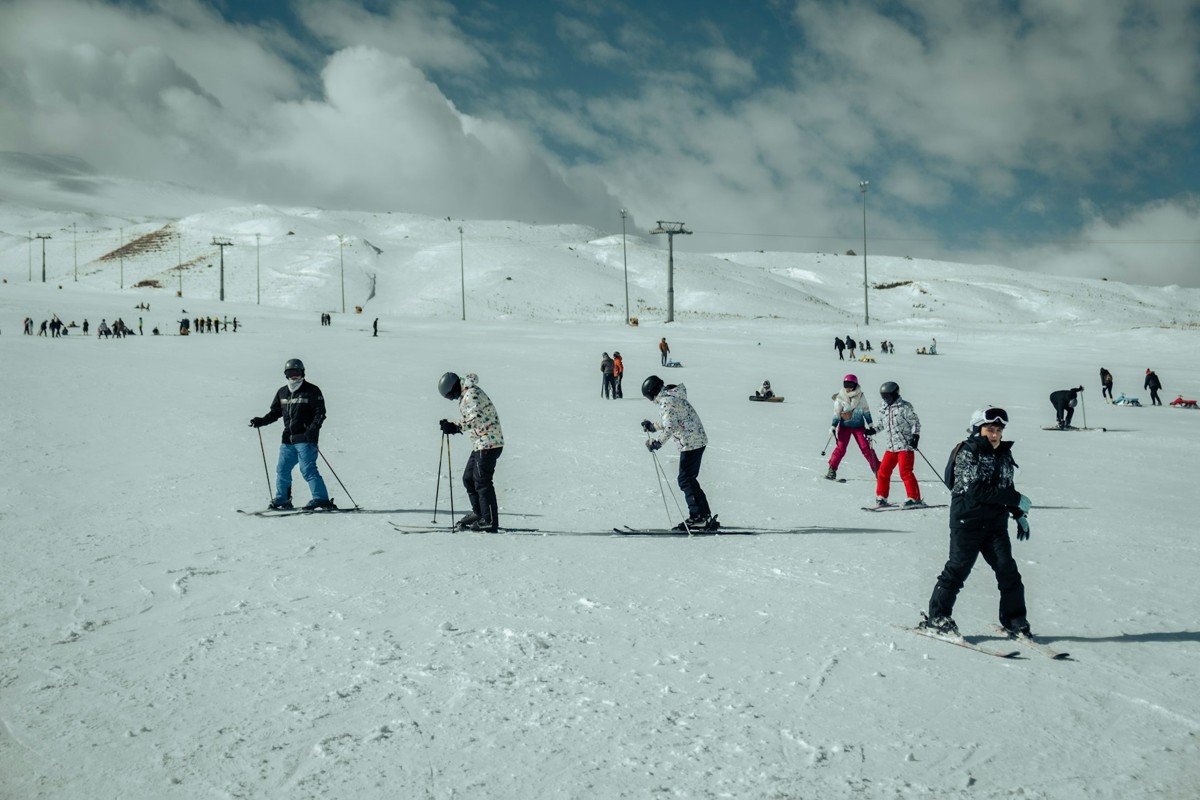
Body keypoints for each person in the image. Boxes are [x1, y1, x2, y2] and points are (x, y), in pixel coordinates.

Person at [920, 407, 1032, 638]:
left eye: (999, 430)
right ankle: (937, 618)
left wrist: (1018, 512)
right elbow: (974, 490)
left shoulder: (1004, 453)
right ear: (977, 429)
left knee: (1007, 571)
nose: (995, 434)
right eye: (990, 429)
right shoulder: (968, 452)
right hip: (967, 521)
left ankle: (1015, 619)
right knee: (957, 569)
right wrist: (1014, 498)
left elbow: (1004, 487)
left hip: (995, 525)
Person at [249, 358, 333, 510]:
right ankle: (283, 499)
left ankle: (321, 499)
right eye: (290, 373)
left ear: (303, 373)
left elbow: (320, 413)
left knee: (307, 470)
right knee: (282, 469)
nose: (294, 376)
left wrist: (313, 428)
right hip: (288, 439)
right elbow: (275, 412)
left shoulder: (312, 390)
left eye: (297, 373)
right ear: (285, 375)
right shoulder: (282, 392)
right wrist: (261, 421)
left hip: (306, 438)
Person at [641, 375, 715, 531]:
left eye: (648, 396)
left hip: (690, 442)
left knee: (685, 479)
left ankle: (698, 518)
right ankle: (704, 515)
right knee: (689, 479)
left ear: (652, 392)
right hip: (696, 439)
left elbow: (670, 427)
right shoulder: (672, 396)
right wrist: (653, 427)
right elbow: (673, 420)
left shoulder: (666, 402)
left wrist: (656, 443)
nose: (650, 400)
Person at [438, 372, 504, 532]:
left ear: (453, 387)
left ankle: (489, 521)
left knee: (482, 481)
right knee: (468, 479)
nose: (452, 398)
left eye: (450, 395)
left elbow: (478, 419)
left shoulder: (471, 394)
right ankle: (480, 513)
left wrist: (456, 427)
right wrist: (452, 424)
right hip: (481, 443)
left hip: (489, 443)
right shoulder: (466, 393)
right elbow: (473, 418)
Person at [875, 381, 922, 507]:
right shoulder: (883, 407)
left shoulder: (905, 407)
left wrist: (915, 436)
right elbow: (881, 425)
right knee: (883, 471)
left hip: (905, 446)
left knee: (905, 472)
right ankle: (881, 496)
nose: (886, 399)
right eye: (883, 396)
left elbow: (915, 423)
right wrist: (873, 430)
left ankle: (914, 497)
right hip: (890, 447)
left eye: (888, 396)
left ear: (895, 394)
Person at [826, 374, 880, 480]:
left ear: (855, 385)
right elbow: (837, 414)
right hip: (844, 427)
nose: (848, 387)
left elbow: (866, 411)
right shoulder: (840, 398)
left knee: (865, 448)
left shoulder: (860, 396)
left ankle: (878, 470)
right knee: (841, 449)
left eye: (850, 384)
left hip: (859, 427)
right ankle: (832, 469)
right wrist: (833, 426)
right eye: (846, 384)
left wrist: (870, 424)